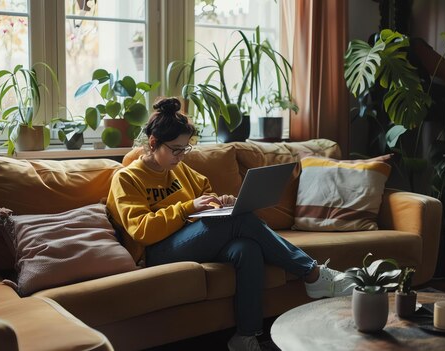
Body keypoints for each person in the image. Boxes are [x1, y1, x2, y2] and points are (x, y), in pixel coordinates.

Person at [106, 97, 354, 351]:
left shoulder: (178, 169)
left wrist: (220, 204)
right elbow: (142, 230)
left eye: (185, 149)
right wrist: (188, 207)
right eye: (175, 149)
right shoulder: (127, 178)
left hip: (191, 240)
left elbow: (204, 190)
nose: (181, 156)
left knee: (246, 249)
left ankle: (245, 337)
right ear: (153, 142)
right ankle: (313, 274)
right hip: (156, 252)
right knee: (240, 219)